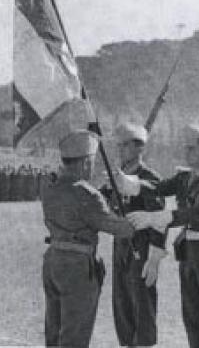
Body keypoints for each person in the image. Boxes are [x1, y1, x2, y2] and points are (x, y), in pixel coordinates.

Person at [119, 124, 199, 348]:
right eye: (186, 148)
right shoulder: (183, 178)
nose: (187, 153)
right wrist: (131, 183)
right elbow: (158, 188)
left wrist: (162, 217)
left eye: (192, 149)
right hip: (189, 253)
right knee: (192, 314)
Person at [40, 129, 135, 348]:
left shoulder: (50, 186)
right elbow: (117, 228)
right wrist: (136, 219)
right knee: (75, 334)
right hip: (78, 265)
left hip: (53, 259)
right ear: (84, 162)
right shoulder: (86, 193)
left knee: (54, 331)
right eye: (91, 162)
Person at [110, 123, 166, 348]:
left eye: (125, 145)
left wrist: (154, 257)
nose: (120, 150)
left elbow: (160, 219)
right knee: (121, 303)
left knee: (141, 303)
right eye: (119, 145)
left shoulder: (150, 177)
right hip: (120, 245)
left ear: (139, 148)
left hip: (141, 246)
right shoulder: (118, 177)